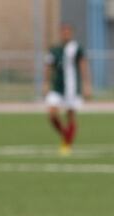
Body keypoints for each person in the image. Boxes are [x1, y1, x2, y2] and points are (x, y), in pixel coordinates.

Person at [44, 24, 91, 156]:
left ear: (71, 33)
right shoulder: (54, 50)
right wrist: (46, 83)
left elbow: (83, 66)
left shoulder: (76, 49)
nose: (65, 34)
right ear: (60, 33)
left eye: (68, 32)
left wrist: (87, 85)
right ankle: (65, 135)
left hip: (72, 88)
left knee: (70, 116)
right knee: (52, 113)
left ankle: (66, 144)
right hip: (58, 87)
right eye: (63, 31)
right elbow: (48, 67)